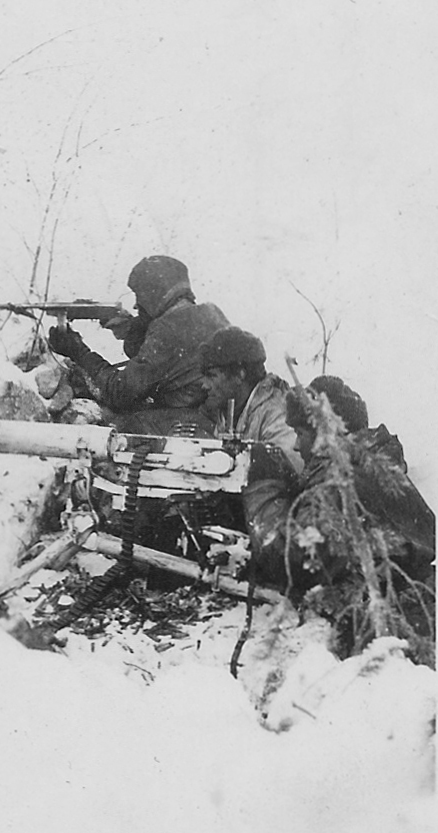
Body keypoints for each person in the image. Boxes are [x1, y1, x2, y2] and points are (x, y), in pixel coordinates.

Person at [243, 377, 435, 598]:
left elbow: (295, 563)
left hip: (391, 612)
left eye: (301, 434)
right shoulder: (369, 466)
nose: (296, 446)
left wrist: (263, 489)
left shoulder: (342, 479)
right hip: (410, 599)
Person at [47, 255, 230, 436]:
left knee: (120, 425)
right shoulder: (210, 313)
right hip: (215, 417)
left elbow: (120, 392)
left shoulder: (167, 328)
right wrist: (130, 327)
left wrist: (79, 351)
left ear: (155, 293)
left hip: (193, 424)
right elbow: (167, 362)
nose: (136, 305)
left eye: (139, 295)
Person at [198, 326, 303, 474]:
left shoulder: (276, 411)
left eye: (211, 375)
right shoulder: (229, 409)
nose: (204, 385)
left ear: (240, 374)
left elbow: (290, 472)